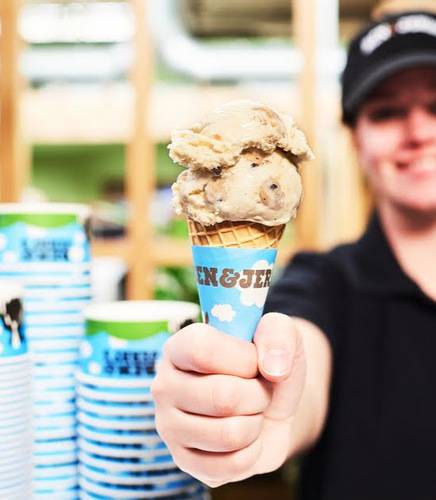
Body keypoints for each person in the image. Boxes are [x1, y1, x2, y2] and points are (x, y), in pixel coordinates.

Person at [151, 9, 436, 500]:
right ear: (355, 139)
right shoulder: (324, 282)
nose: (418, 131)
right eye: (386, 112)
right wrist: (261, 414)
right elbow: (301, 366)